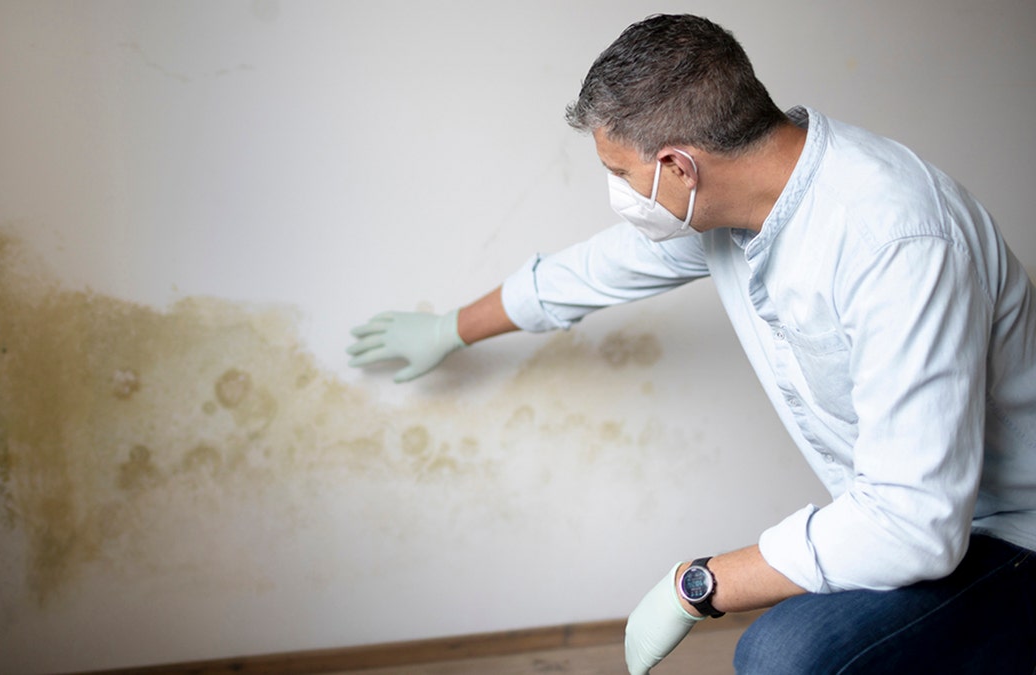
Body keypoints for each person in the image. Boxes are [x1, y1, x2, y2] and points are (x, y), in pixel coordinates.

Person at [346, 13, 1036, 674]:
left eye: (619, 174)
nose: (617, 192)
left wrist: (696, 584)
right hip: (926, 527)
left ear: (678, 166)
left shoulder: (892, 241)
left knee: (785, 655)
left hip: (1008, 535)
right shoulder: (733, 212)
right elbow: (589, 272)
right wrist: (448, 330)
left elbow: (911, 526)